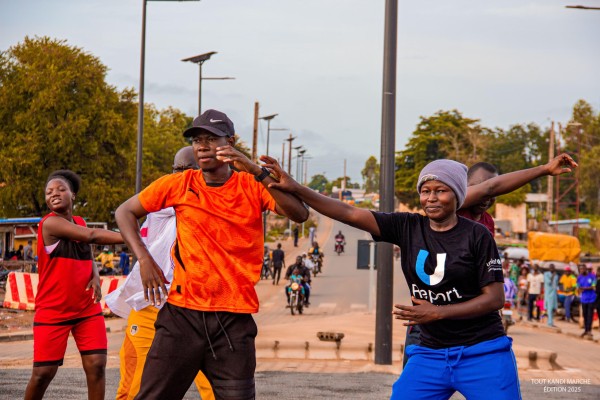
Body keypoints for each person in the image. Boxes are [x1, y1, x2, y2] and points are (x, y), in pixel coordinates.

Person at [264, 156, 520, 399]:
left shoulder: (478, 235)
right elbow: (348, 213)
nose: (431, 198)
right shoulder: (408, 227)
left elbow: (494, 299)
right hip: (429, 353)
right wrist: (296, 188)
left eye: (441, 191)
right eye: (425, 191)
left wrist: (438, 312)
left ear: (458, 194)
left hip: (482, 352)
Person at [115, 109, 308, 400]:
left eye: (211, 139)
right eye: (197, 140)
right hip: (182, 316)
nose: (202, 146)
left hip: (233, 319)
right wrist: (144, 260)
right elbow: (125, 211)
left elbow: (300, 214)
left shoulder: (251, 185)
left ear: (230, 142)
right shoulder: (179, 184)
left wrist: (256, 170)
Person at [105, 146, 214, 400]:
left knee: (214, 386)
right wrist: (144, 260)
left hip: (197, 308)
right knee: (134, 381)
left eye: (189, 169)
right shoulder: (157, 204)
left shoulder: (213, 206)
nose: (181, 175)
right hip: (150, 303)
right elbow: (125, 217)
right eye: (177, 169)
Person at [24, 170, 124, 400]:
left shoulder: (79, 222)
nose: (54, 194)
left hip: (85, 308)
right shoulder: (49, 224)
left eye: (61, 189)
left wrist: (95, 275)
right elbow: (91, 236)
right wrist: (133, 236)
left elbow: (88, 251)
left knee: (97, 365)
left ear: (73, 195)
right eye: (49, 192)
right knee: (43, 374)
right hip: (53, 309)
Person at [577, 263, 597, 339]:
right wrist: (579, 289)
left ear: (585, 269)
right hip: (583, 299)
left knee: (590, 315)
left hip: (591, 298)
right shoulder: (579, 277)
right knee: (585, 315)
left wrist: (583, 288)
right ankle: (586, 330)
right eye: (580, 269)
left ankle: (589, 330)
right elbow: (578, 287)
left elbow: (593, 286)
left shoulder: (592, 276)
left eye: (582, 269)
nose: (581, 270)